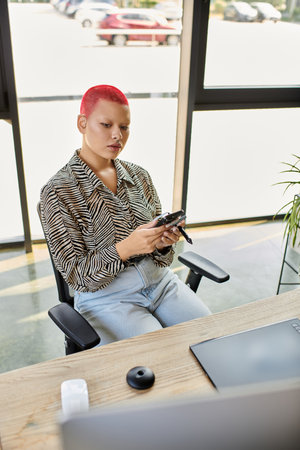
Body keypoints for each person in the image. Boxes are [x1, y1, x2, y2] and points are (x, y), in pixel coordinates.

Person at [40, 84, 210, 345]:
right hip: (107, 299)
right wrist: (124, 249)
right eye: (106, 125)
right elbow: (76, 275)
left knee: (213, 336)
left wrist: (163, 243)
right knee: (161, 358)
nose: (117, 136)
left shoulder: (139, 176)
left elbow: (164, 259)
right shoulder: (58, 192)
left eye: (124, 127)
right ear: (82, 123)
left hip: (161, 283)